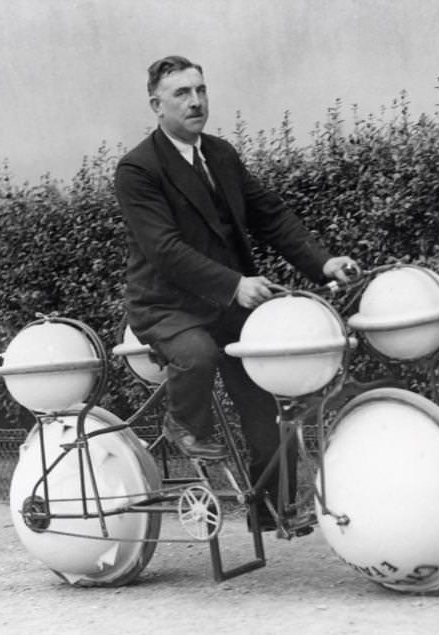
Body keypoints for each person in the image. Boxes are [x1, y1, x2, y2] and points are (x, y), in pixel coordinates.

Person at [114, 55, 356, 527]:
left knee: (268, 398)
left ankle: (272, 509)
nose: (196, 101)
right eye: (182, 93)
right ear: (156, 105)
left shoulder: (221, 154)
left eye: (201, 90)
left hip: (230, 302)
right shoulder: (138, 170)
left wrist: (322, 262)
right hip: (167, 304)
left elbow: (269, 214)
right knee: (197, 354)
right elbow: (164, 249)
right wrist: (234, 284)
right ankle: (182, 423)